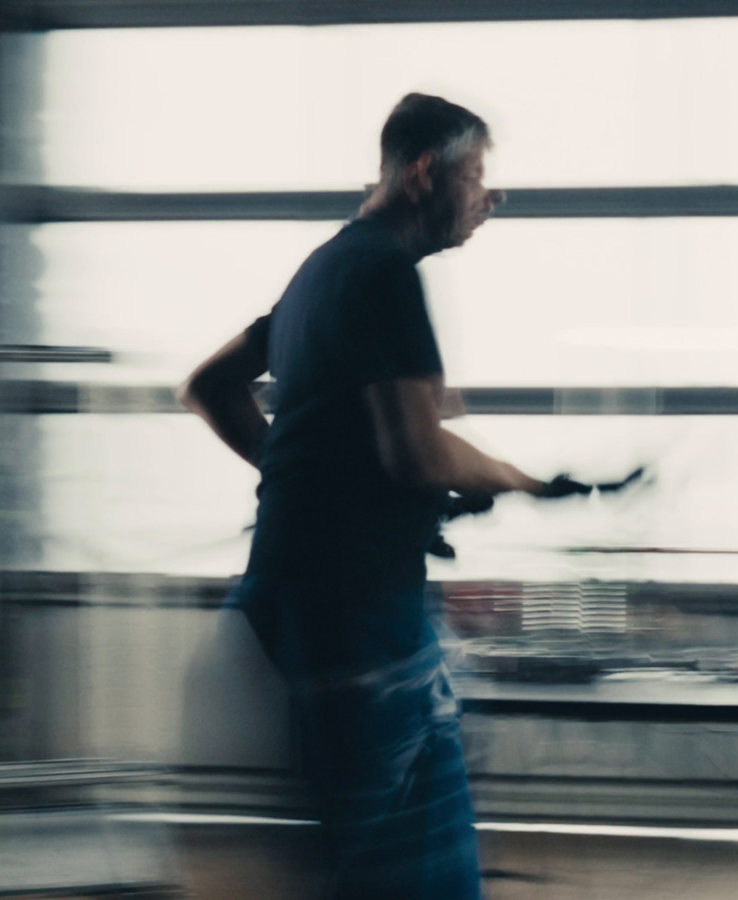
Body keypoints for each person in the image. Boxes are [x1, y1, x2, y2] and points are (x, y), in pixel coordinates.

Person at [178, 93, 559, 899]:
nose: (491, 198)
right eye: (479, 176)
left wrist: (313, 479)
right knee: (414, 866)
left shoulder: (323, 271)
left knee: (384, 850)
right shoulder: (385, 272)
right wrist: (526, 481)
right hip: (358, 618)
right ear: (425, 172)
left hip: (302, 605)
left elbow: (210, 387)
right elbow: (420, 450)